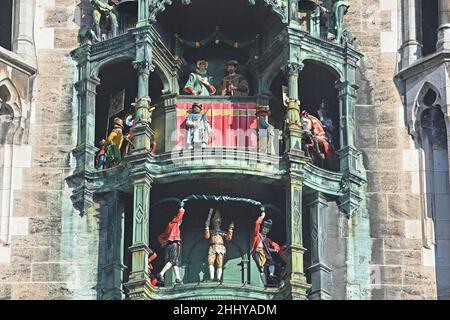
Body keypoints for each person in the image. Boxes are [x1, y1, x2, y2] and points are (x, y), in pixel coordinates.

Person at [251, 211, 285, 286]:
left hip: (265, 252)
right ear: (262, 228)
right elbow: (257, 224)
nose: (265, 230)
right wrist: (262, 217)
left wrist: (276, 248)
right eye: (264, 228)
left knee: (272, 262)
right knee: (261, 268)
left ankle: (271, 274)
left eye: (267, 230)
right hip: (257, 251)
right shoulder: (257, 235)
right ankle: (265, 283)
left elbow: (274, 244)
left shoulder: (267, 240)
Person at [204, 208, 234, 282]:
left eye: (218, 222)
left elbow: (228, 237)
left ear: (220, 222)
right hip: (212, 247)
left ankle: (218, 278)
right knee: (210, 261)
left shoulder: (222, 232)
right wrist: (207, 227)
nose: (216, 223)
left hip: (220, 247)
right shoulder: (212, 231)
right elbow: (207, 236)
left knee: (219, 263)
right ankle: (211, 277)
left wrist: (230, 229)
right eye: (215, 222)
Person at [157, 207, 186, 285]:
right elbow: (179, 216)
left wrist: (163, 242)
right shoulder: (174, 223)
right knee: (172, 261)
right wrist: (182, 210)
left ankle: (178, 278)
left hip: (169, 244)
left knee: (175, 262)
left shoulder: (168, 227)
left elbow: (160, 236)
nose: (180, 222)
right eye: (180, 221)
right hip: (173, 243)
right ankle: (161, 273)